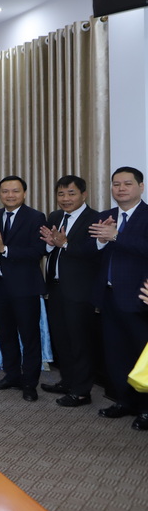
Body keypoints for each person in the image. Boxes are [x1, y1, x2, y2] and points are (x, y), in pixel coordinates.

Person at [88, 166, 148, 430]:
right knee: (115, 355)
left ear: (141, 187)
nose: (121, 189)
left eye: (127, 184)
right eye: (116, 184)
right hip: (109, 296)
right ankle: (124, 402)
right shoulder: (106, 216)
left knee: (140, 356)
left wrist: (117, 237)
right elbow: (93, 253)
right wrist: (102, 241)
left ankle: (146, 408)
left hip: (138, 299)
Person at [0, 176, 47, 402]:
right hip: (0, 285)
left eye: (15, 191)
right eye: (5, 191)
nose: (10, 195)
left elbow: (37, 251)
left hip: (25, 286)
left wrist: (5, 249)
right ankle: (12, 375)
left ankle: (30, 383)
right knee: (6, 333)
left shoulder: (36, 217)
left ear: (24, 193)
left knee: (29, 336)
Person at [39, 175, 100, 407]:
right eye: (61, 194)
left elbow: (93, 252)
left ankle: (82, 391)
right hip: (55, 288)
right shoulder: (55, 217)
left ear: (84, 194)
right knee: (62, 339)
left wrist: (64, 244)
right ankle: (68, 381)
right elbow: (48, 249)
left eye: (71, 193)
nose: (65, 199)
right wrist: (49, 244)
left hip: (79, 291)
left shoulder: (95, 219)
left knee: (79, 341)